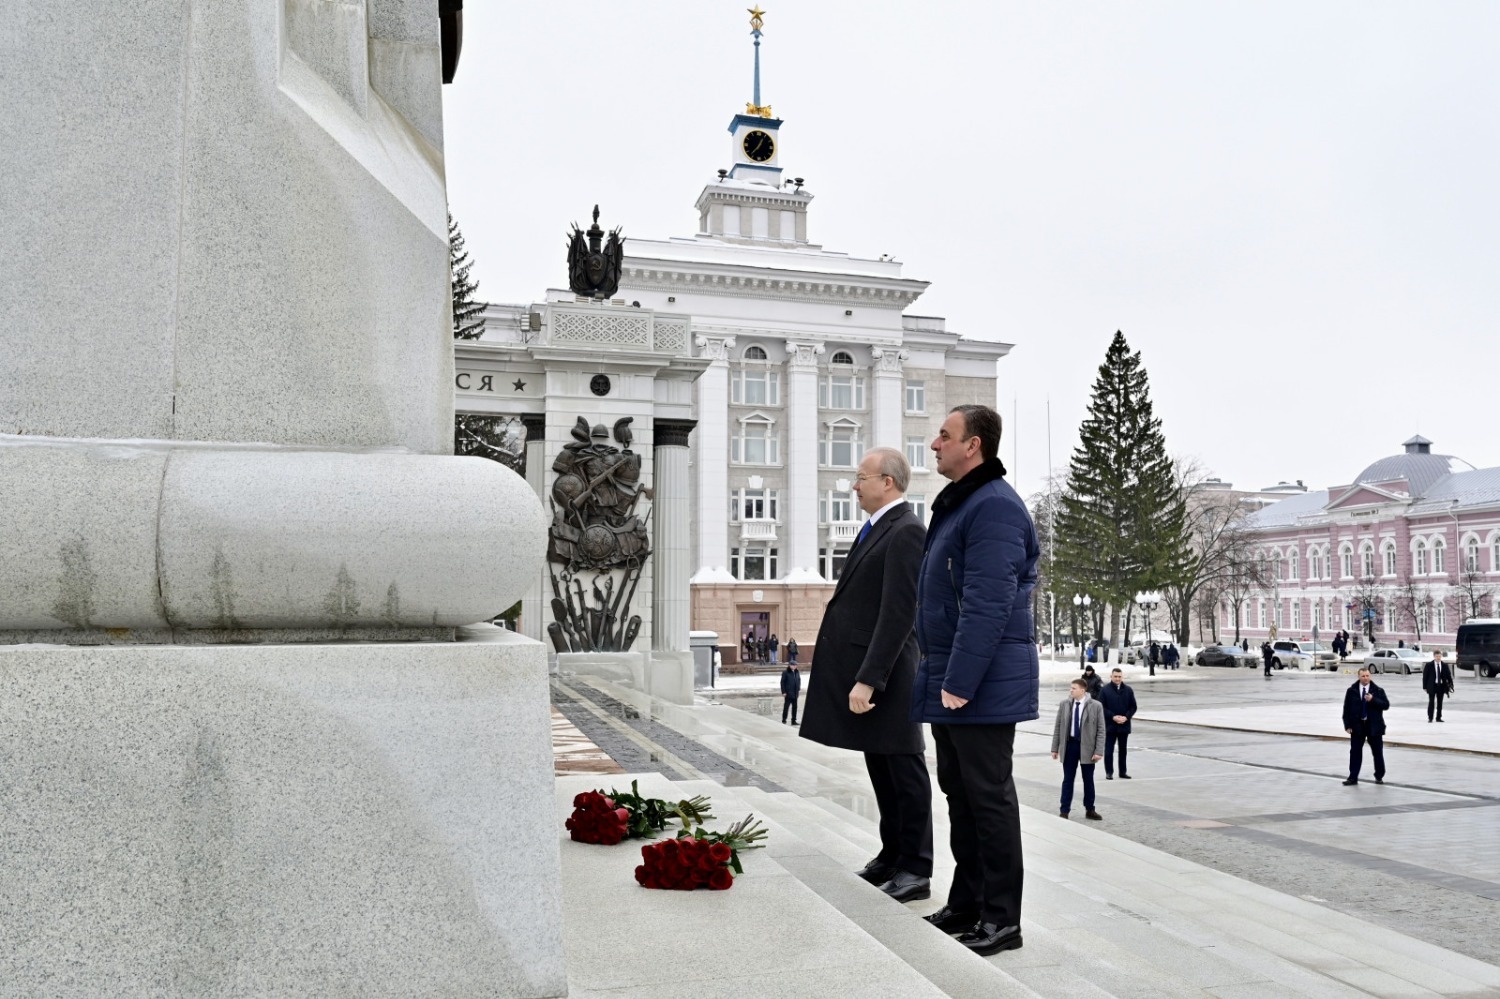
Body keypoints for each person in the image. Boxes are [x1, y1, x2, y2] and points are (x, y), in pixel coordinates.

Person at [912, 404, 1038, 957]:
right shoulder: (963, 503)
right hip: (952, 675)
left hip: (978, 682)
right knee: (960, 797)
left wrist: (959, 680)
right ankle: (968, 902)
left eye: (945, 435)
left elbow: (988, 603)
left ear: (974, 446)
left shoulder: (994, 508)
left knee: (988, 800)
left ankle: (1002, 919)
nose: (934, 443)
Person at [799, 448, 932, 903]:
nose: (855, 485)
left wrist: (870, 677)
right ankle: (892, 854)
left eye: (861, 477)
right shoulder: (878, 527)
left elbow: (898, 614)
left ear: (888, 482)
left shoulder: (907, 531)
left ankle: (916, 868)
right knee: (881, 765)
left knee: (904, 768)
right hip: (871, 667)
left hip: (890, 673)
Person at [1051, 678, 1105, 820]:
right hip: (1070, 746)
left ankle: (1090, 809)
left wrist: (1099, 751)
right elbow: (1058, 727)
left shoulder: (1096, 706)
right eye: (1071, 688)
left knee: (1088, 779)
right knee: (1068, 779)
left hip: (1087, 747)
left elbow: (1101, 730)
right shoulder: (1065, 704)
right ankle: (1064, 810)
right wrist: (1055, 748)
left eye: (1074, 688)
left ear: (1083, 690)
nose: (1071, 690)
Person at [1342, 667, 1389, 785]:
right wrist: (1347, 725)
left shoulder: (1378, 690)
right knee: (1355, 752)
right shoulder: (1351, 690)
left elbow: (1385, 705)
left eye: (1367, 676)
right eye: (1363, 676)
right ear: (1359, 676)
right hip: (1357, 726)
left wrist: (1373, 699)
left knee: (1377, 753)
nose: (1365, 678)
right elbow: (1346, 709)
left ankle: (1379, 775)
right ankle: (1353, 777)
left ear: (1370, 676)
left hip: (1374, 726)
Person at [1098, 667, 1137, 780]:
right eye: (1115, 676)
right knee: (1109, 750)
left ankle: (1122, 772)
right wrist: (1113, 716)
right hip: (1110, 725)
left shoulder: (1128, 690)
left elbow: (1133, 706)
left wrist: (1126, 717)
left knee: (1123, 750)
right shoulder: (1105, 690)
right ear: (1111, 677)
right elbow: (1101, 707)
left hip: (1124, 725)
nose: (1117, 678)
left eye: (1119, 676)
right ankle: (1109, 772)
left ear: (1122, 677)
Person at [1423, 649, 1452, 723]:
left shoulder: (1444, 665)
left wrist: (1451, 683)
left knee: (1440, 703)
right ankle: (1430, 717)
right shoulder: (1429, 665)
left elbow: (1449, 675)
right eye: (1437, 656)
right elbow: (1425, 677)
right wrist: (1425, 687)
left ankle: (1438, 717)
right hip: (1432, 686)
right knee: (1431, 702)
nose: (1438, 658)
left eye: (1439, 656)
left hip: (1441, 686)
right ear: (1434, 656)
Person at [779, 659, 801, 724]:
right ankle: (784, 719)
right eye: (793, 665)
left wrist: (798, 688)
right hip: (788, 693)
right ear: (790, 665)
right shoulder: (785, 672)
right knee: (786, 707)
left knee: (795, 707)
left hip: (795, 692)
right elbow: (782, 682)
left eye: (795, 665)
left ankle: (793, 720)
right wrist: (783, 692)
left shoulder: (797, 672)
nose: (794, 666)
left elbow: (799, 680)